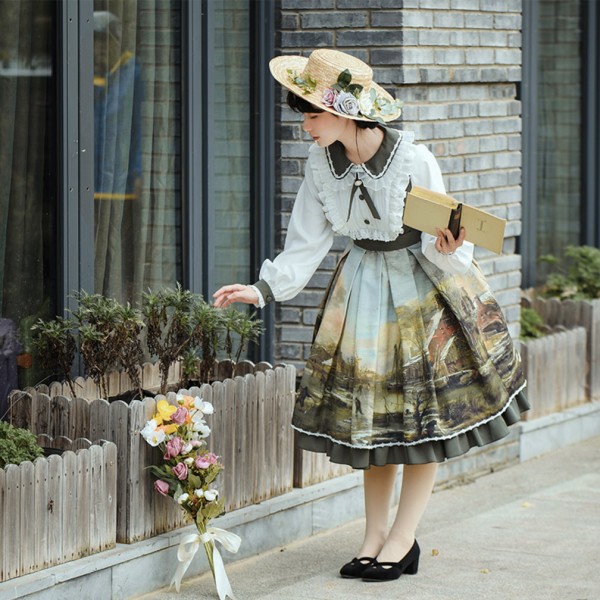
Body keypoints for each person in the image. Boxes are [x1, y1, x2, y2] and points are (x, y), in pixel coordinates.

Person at [213, 49, 528, 583]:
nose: (305, 126)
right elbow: (306, 242)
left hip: (422, 290)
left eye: (312, 114)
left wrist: (450, 247)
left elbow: (445, 238)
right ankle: (373, 536)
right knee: (373, 419)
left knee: (421, 417)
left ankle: (403, 538)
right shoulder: (319, 164)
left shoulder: (412, 158)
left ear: (344, 112)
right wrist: (262, 289)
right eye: (303, 114)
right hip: (361, 290)